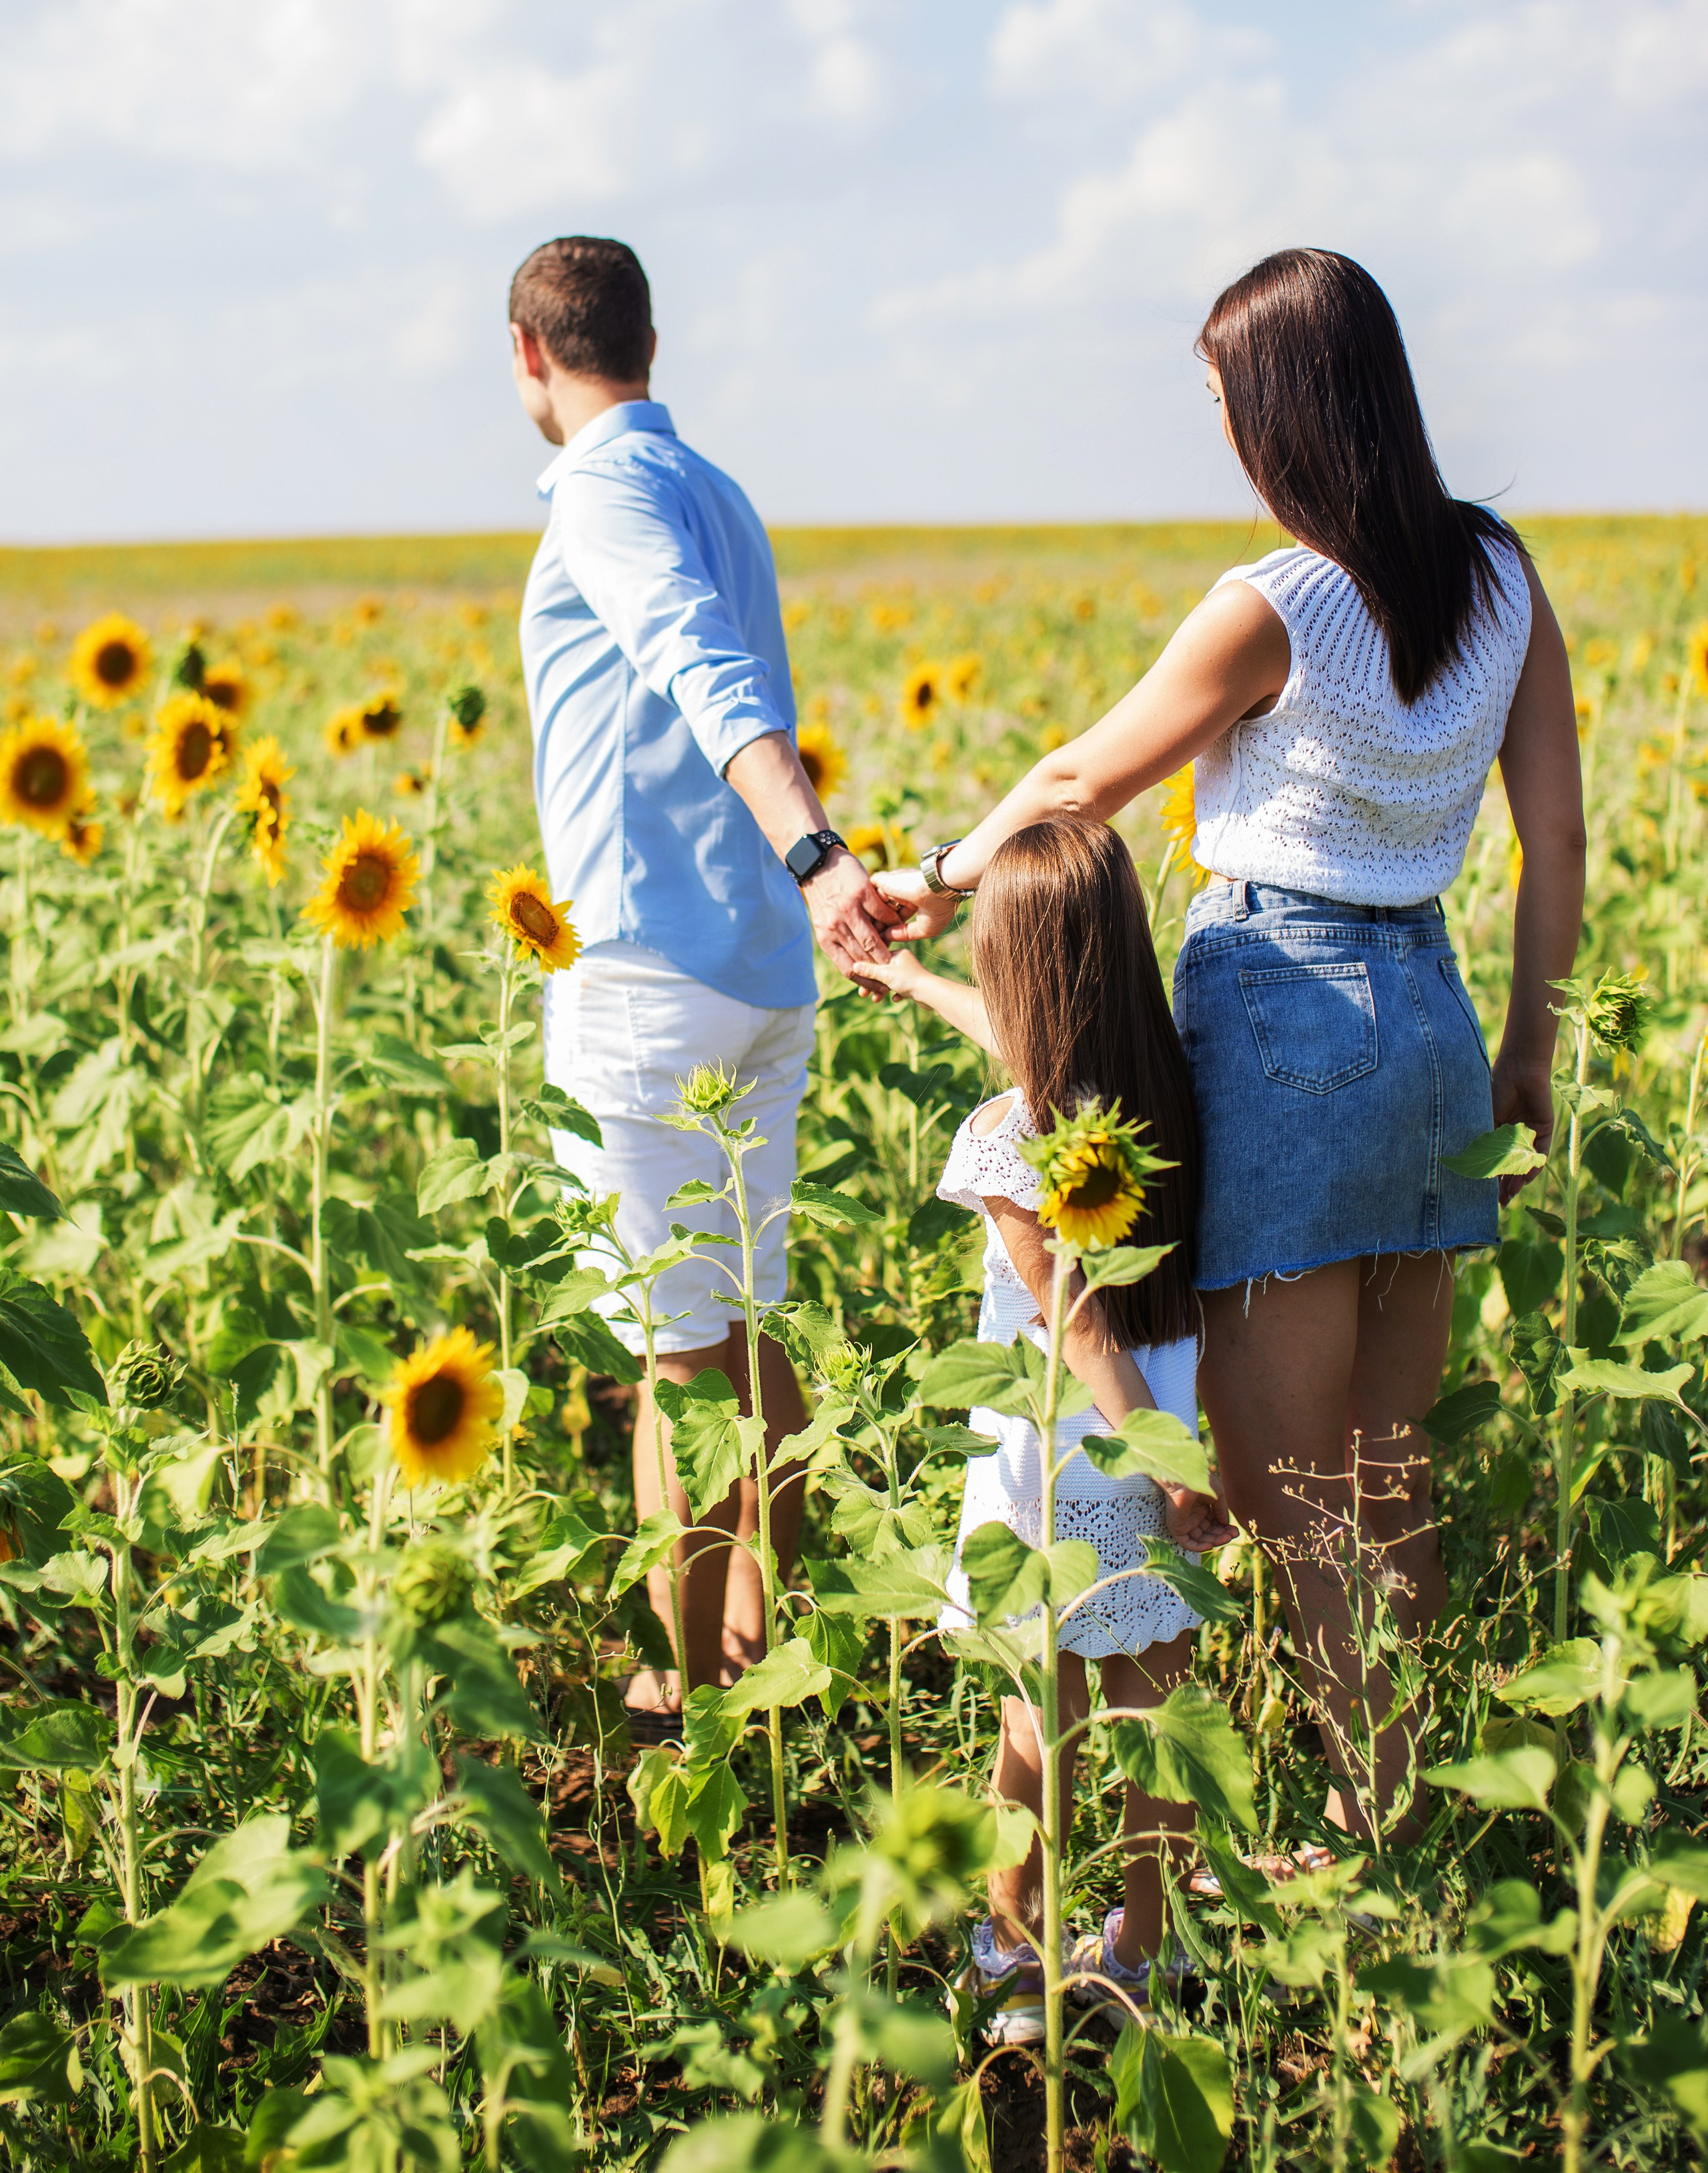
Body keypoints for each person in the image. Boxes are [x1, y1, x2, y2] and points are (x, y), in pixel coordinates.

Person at [863, 248, 1585, 1844]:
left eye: (1216, 399)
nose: (1213, 429)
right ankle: (1397, 1803)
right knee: (1382, 1477)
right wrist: (1527, 1054)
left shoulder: (1273, 603)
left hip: (1284, 1023)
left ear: (1276, 407)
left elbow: (1071, 782)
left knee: (1270, 1493)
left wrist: (926, 887)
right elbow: (1555, 836)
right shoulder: (1498, 579)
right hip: (1434, 1027)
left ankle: (1348, 1833)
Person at [510, 236, 898, 1730]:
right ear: (648, 343)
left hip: (648, 967)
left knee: (678, 1359)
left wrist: (816, 855)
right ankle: (764, 1652)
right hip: (749, 976)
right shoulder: (715, 491)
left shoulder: (606, 489)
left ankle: (682, 1694)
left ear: (531, 358)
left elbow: (696, 666)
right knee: (741, 1328)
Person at [861, 816, 1233, 2043]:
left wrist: (1157, 1475)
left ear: (1012, 970)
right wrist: (1180, 1469)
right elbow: (1026, 1042)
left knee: (1040, 1716)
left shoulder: (1007, 1134)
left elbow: (1072, 1328)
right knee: (1154, 1712)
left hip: (1063, 1463)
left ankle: (1013, 1946)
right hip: (1163, 1439)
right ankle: (1141, 1945)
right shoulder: (1168, 1089)